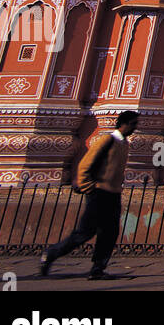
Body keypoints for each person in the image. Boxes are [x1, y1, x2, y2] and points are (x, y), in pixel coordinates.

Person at [40, 111, 138, 280]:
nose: (135, 127)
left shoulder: (124, 144)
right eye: (133, 124)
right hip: (98, 193)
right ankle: (51, 254)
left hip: (113, 194)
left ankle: (98, 269)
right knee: (84, 232)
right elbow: (86, 164)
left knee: (109, 232)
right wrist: (89, 187)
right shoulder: (107, 140)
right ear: (124, 124)